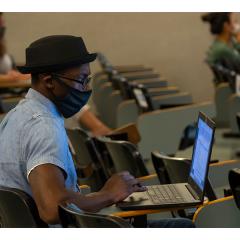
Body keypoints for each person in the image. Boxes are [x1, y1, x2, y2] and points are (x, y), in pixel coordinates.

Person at [0, 35, 194, 227]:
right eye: (82, 80)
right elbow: (53, 209)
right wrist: (108, 195)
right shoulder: (43, 127)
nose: (85, 89)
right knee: (182, 226)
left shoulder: (15, 116)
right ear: (49, 81)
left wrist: (100, 195)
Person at [0, 12, 30, 82]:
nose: (2, 28)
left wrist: (18, 75)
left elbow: (14, 73)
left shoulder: (6, 56)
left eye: (2, 24)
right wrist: (9, 77)